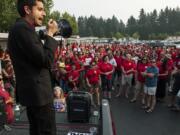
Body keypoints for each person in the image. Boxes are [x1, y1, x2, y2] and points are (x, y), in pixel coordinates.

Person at [8, 0, 59, 135]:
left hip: (35, 93)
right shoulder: (22, 28)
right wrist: (50, 35)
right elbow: (46, 60)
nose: (44, 13)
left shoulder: (22, 29)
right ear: (27, 9)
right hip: (38, 95)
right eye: (40, 9)